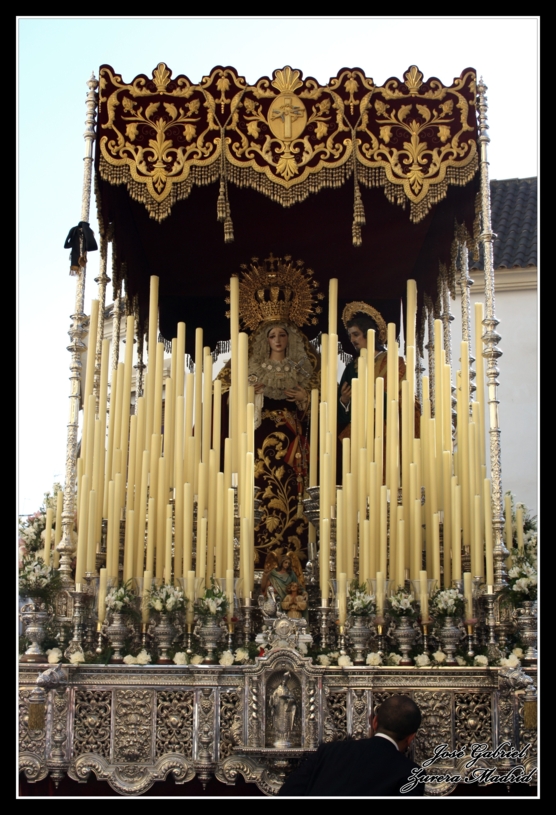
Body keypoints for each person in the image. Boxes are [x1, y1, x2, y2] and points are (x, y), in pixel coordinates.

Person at [248, 319, 319, 567]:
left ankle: (296, 557)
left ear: (290, 339)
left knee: (294, 491)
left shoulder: (300, 369)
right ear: (265, 340)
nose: (277, 340)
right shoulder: (254, 368)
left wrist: (305, 398)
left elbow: (314, 409)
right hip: (263, 444)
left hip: (293, 443)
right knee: (263, 490)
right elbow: (233, 403)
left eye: (282, 335)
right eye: (272, 336)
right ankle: (260, 556)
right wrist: (251, 394)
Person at [277, 694, 425, 797]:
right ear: (411, 738)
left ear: (374, 722)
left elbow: (287, 794)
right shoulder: (411, 773)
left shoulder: (328, 751)